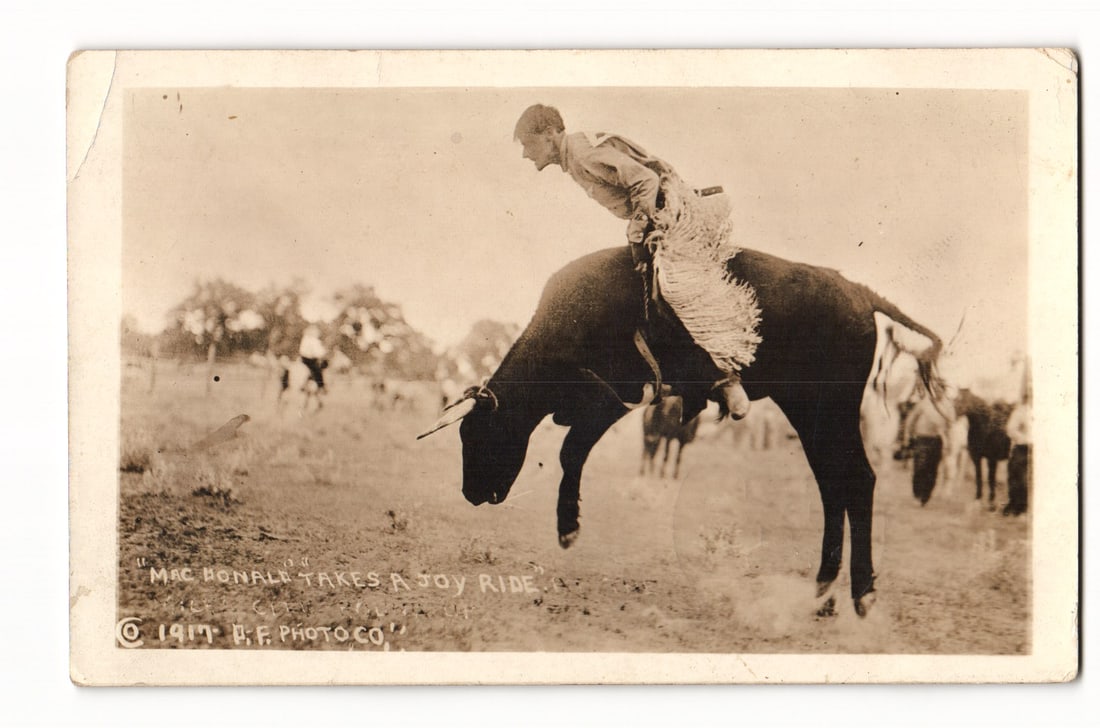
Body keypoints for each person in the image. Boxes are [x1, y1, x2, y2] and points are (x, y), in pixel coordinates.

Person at [513, 104, 753, 419]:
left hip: (673, 216)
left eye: (528, 145)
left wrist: (639, 225)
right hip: (664, 215)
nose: (526, 155)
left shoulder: (582, 154)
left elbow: (645, 182)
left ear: (549, 134)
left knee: (672, 294)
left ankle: (725, 380)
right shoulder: (576, 154)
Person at [902, 391, 954, 506]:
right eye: (935, 388)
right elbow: (911, 419)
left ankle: (926, 496)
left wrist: (949, 442)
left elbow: (950, 426)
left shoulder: (947, 406)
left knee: (932, 469)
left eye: (940, 389)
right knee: (919, 467)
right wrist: (907, 436)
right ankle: (917, 494)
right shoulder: (923, 404)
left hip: (937, 440)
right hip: (922, 439)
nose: (937, 392)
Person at [1003, 397, 1031, 516]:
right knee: (1017, 477)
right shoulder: (1021, 411)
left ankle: (1024, 507)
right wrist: (1024, 439)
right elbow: (1010, 429)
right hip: (1023, 448)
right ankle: (1016, 506)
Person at [298, 324, 328, 393]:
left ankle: (308, 383)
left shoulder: (309, 339)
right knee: (317, 370)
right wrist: (323, 354)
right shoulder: (311, 339)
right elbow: (317, 352)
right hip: (308, 358)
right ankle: (321, 386)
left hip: (308, 357)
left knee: (318, 368)